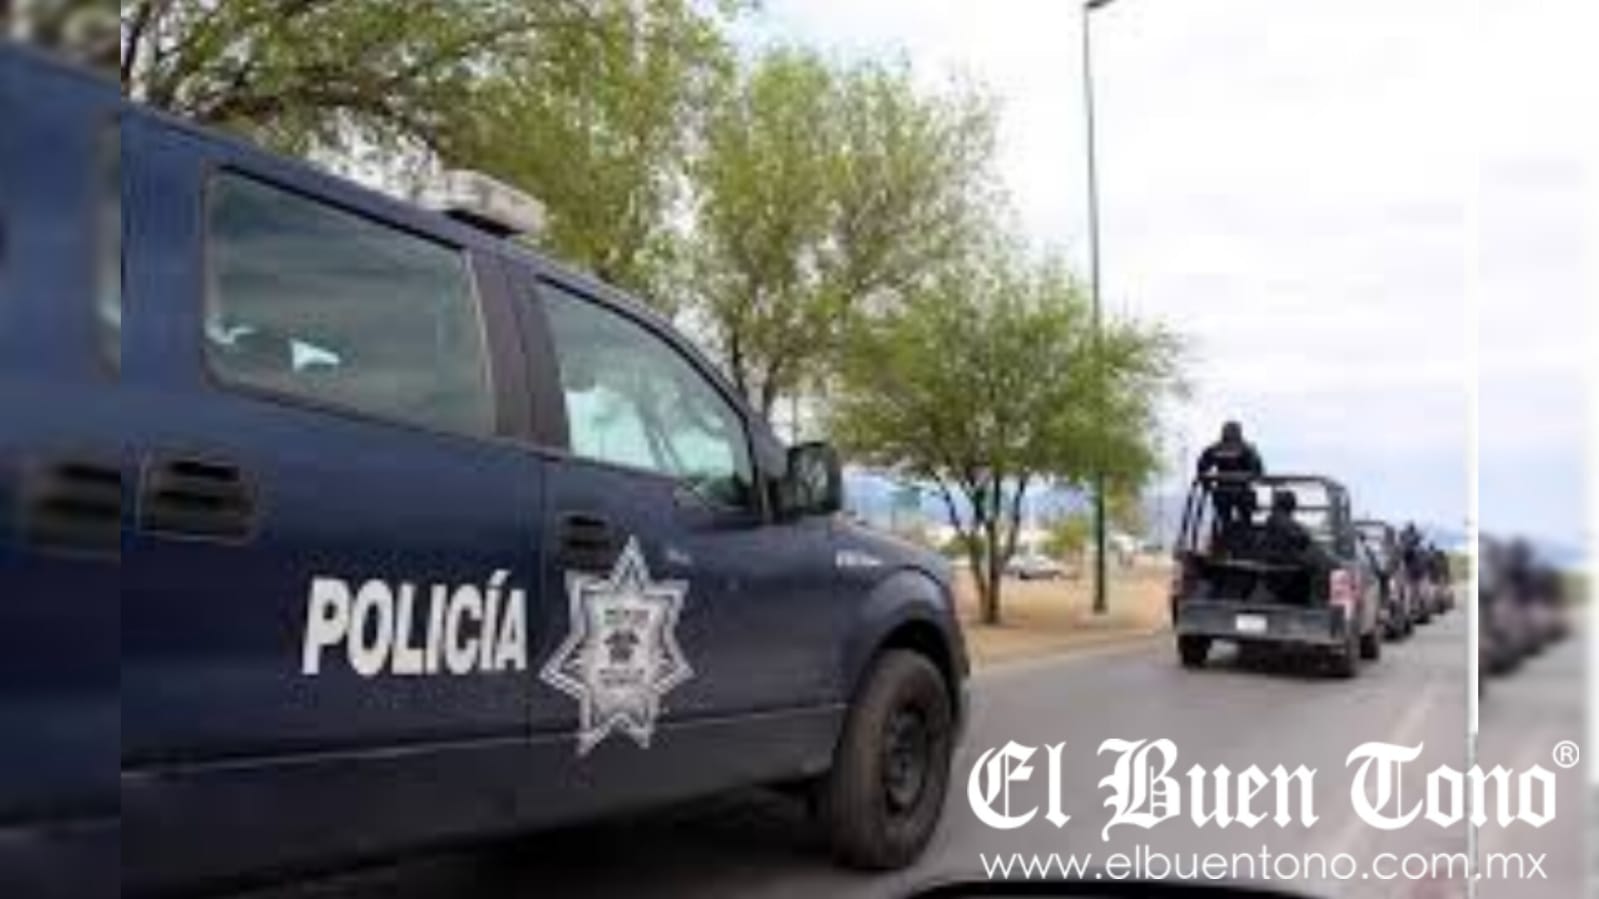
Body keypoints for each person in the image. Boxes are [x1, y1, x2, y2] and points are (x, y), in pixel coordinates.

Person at [1196, 421, 1265, 535]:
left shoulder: (1215, 449)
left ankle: (1231, 534)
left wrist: (1207, 485)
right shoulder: (1247, 449)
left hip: (1225, 492)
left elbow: (1201, 468)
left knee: (1227, 520)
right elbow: (1258, 471)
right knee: (1242, 521)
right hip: (1238, 493)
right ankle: (1241, 535)